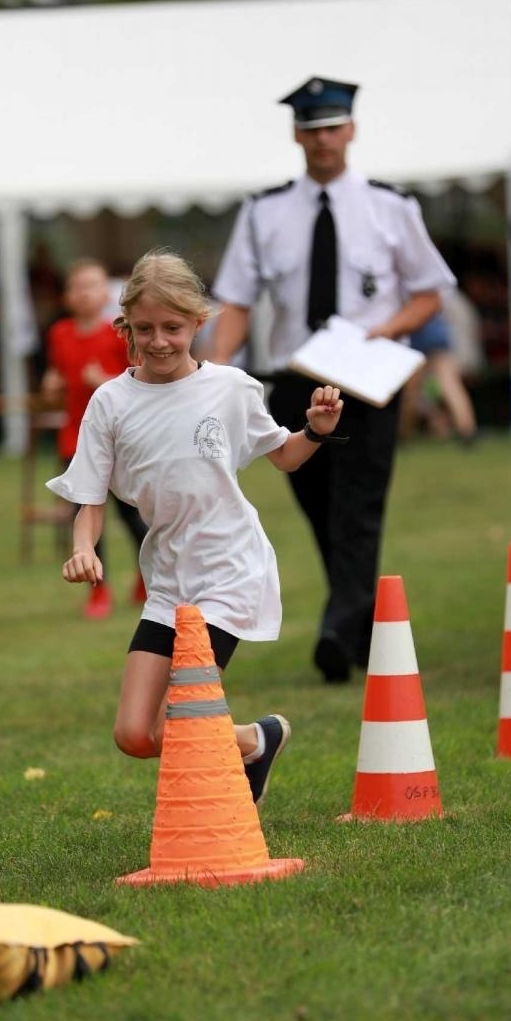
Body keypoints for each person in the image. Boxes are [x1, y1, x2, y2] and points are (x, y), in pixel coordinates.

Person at [45, 250, 344, 805]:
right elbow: (88, 493)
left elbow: (285, 457)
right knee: (136, 735)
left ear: (198, 323)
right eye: (144, 329)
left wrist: (315, 430)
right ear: (125, 327)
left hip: (230, 574)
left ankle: (235, 774)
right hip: (169, 585)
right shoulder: (109, 403)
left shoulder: (230, 388)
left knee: (177, 721)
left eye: (173, 328)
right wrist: (83, 547)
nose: (158, 341)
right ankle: (256, 741)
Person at [211, 76, 456, 683]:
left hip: (369, 382)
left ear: (351, 130)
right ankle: (358, 629)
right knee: (319, 507)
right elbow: (236, 299)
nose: (323, 141)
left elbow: (431, 293)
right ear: (297, 135)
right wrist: (213, 372)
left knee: (358, 507)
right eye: (311, 130)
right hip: (296, 379)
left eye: (332, 128)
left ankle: (335, 626)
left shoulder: (390, 206)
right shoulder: (264, 211)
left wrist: (383, 331)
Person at [42, 258, 148, 619]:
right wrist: (52, 383)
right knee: (84, 517)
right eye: (77, 286)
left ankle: (146, 576)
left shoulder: (118, 334)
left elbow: (136, 383)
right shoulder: (59, 334)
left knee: (131, 514)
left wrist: (103, 379)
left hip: (118, 439)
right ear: (67, 296)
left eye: (92, 285)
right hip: (76, 440)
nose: (85, 293)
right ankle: (98, 589)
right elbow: (59, 376)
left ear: (107, 293)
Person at [399, 306, 478, 442]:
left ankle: (403, 434)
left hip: (416, 335)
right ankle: (467, 430)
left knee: (410, 392)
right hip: (438, 334)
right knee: (451, 385)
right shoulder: (430, 290)